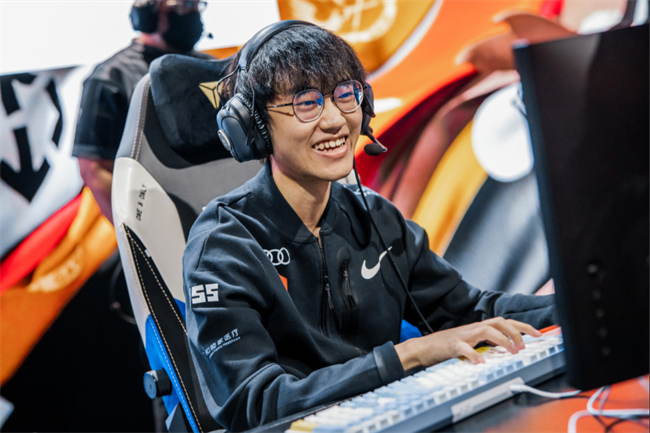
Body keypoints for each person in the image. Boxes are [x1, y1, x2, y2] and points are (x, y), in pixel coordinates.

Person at [183, 24, 556, 432]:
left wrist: (582, 304)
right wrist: (409, 356)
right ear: (253, 126)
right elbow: (257, 404)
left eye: (345, 94)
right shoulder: (223, 245)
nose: (335, 120)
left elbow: (473, 311)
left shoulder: (375, 216)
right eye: (306, 103)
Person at [73, 0, 211, 223]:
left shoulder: (210, 68)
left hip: (214, 206)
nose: (193, 12)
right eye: (184, 4)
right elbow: (94, 168)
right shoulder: (111, 78)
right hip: (158, 217)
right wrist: (136, 232)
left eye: (197, 4)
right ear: (148, 14)